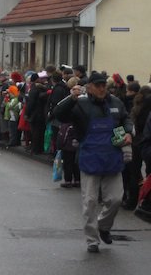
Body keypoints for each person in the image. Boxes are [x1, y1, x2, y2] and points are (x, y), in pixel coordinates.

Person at [54, 72, 133, 253]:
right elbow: (59, 114)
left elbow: (125, 119)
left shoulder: (115, 102)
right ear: (89, 87)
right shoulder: (80, 103)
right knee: (89, 202)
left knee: (115, 199)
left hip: (112, 157)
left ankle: (103, 226)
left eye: (103, 85)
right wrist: (71, 98)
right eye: (97, 85)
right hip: (89, 158)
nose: (102, 88)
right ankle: (92, 239)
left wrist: (128, 132)